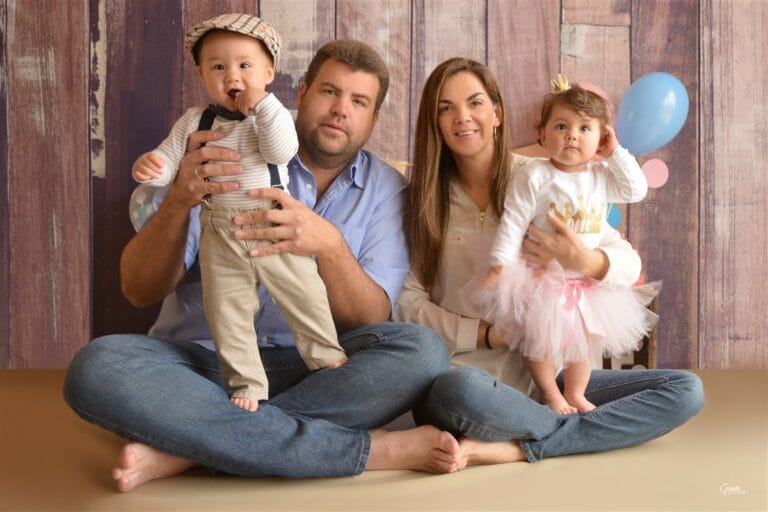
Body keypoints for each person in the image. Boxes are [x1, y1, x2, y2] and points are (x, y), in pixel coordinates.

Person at [64, 39, 463, 492]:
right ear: (302, 93)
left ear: (373, 118)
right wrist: (178, 199)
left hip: (316, 371)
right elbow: (139, 289)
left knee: (423, 352)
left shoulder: (387, 189)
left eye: (359, 101)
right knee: (97, 368)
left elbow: (369, 316)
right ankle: (367, 452)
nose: (340, 111)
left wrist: (328, 245)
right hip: (201, 365)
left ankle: (191, 450)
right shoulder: (224, 142)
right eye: (330, 92)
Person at [395, 57, 703, 469]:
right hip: (465, 382)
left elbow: (627, 262)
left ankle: (517, 445)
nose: (463, 117)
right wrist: (486, 335)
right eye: (445, 107)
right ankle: (559, 435)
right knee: (459, 392)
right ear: (433, 120)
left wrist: (585, 260)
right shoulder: (420, 201)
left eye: (475, 103)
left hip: (545, 382)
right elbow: (406, 303)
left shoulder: (548, 176)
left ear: (497, 113)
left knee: (684, 390)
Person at [132, 13, 347, 412]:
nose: (233, 76)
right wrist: (153, 166)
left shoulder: (274, 115)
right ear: (202, 74)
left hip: (270, 221)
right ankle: (245, 382)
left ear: (268, 72)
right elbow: (168, 155)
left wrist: (262, 107)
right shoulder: (196, 121)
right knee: (226, 309)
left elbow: (281, 151)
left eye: (245, 66)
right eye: (218, 67)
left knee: (303, 290)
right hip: (219, 228)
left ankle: (323, 352)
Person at [470, 75, 656, 414]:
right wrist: (501, 262)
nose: (572, 135)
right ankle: (549, 393)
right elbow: (514, 219)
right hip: (543, 278)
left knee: (585, 343)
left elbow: (635, 190)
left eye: (586, 129)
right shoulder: (535, 175)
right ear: (542, 135)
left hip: (585, 281)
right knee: (540, 341)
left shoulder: (600, 179)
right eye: (561, 126)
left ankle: (575, 392)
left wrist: (615, 152)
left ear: (600, 139)